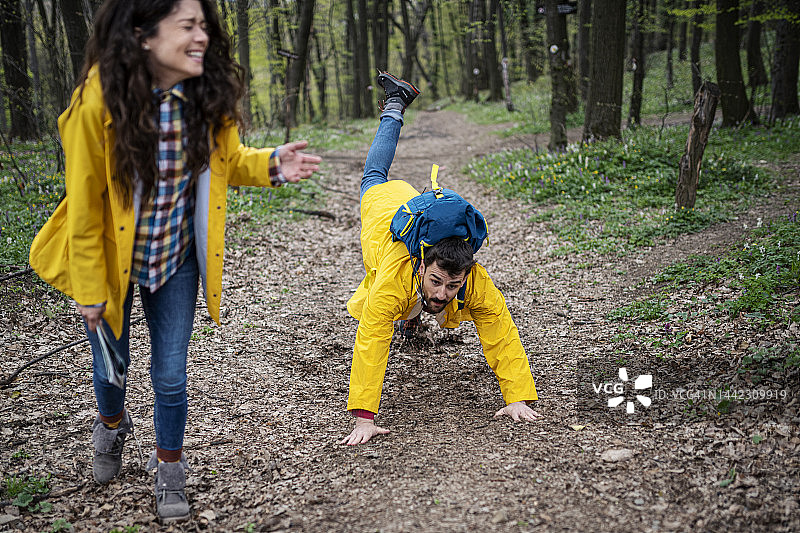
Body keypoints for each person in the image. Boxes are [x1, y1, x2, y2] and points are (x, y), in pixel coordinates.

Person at [28, 0, 321, 522]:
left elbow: (229, 162)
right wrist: (91, 290)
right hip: (111, 262)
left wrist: (272, 164)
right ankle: (112, 425)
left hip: (175, 258)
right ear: (144, 36)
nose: (201, 36)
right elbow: (85, 209)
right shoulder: (95, 103)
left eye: (203, 26)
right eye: (186, 26)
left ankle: (169, 467)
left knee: (170, 376)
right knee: (109, 369)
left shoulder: (206, 96)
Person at [341, 73, 541, 446]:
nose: (446, 292)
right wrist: (364, 419)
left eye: (454, 285)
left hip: (419, 220)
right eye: (437, 281)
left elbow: (501, 331)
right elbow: (370, 339)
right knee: (373, 176)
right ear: (421, 265)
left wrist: (516, 398)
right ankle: (395, 107)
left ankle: (413, 320)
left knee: (422, 302)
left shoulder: (473, 279)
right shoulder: (394, 278)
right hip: (384, 210)